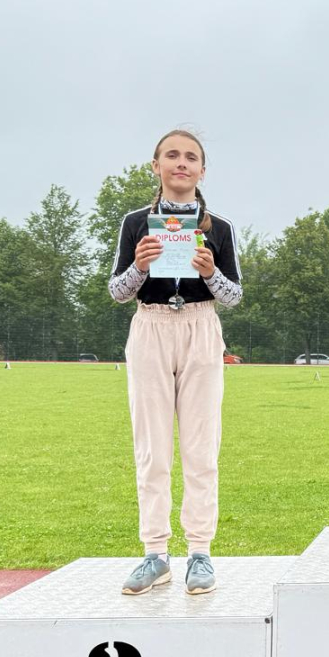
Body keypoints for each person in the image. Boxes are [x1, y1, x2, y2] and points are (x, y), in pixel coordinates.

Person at [109, 129, 242, 596]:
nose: (181, 163)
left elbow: (234, 295)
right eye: (172, 155)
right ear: (156, 165)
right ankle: (155, 553)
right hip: (150, 325)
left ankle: (200, 551)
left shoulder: (218, 227)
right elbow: (118, 291)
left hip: (201, 327)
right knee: (152, 447)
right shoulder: (135, 223)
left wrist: (211, 272)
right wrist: (140, 266)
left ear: (202, 170)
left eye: (190, 157)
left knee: (201, 447)